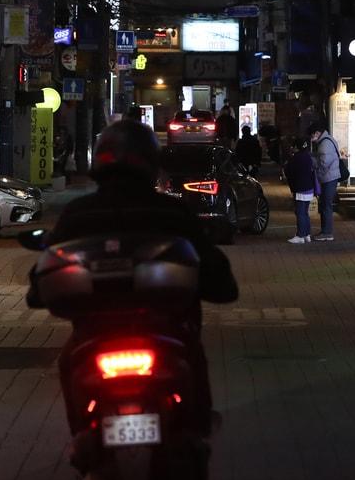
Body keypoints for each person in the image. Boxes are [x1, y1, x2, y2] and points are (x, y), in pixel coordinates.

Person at [31, 120, 239, 429]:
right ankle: (197, 427)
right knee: (192, 359)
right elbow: (218, 277)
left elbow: (40, 281)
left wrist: (42, 289)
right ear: (152, 164)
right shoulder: (172, 212)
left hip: (94, 334)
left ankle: (81, 434)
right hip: (167, 331)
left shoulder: (78, 213)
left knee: (69, 362)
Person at [308, 122, 341, 241]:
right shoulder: (328, 139)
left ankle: (327, 233)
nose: (311, 138)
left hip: (329, 178)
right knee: (325, 205)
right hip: (330, 177)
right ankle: (326, 231)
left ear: (317, 133)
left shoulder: (325, 144)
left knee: (326, 205)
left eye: (312, 135)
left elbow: (323, 163)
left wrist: (314, 166)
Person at [283, 137, 318, 244]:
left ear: (296, 147)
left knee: (300, 212)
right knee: (305, 212)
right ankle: (307, 234)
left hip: (300, 188)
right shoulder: (308, 156)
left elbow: (289, 171)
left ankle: (300, 235)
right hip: (309, 188)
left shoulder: (296, 158)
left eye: (293, 146)